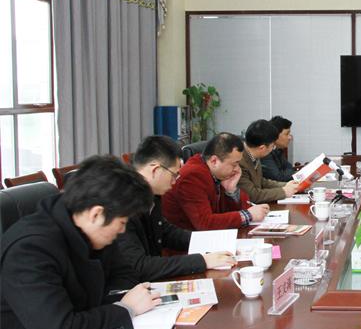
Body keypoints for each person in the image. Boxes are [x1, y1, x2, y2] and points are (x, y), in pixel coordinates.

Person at [0, 156, 161, 329]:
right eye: (122, 222)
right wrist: (126, 308)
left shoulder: (88, 227)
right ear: (96, 214)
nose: (123, 230)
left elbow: (125, 274)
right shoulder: (29, 250)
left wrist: (110, 306)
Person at [118, 136, 237, 282]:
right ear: (155, 170)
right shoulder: (122, 203)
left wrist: (211, 241)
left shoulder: (151, 193)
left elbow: (165, 231)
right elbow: (139, 267)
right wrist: (203, 261)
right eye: (174, 175)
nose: (175, 181)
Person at [162, 133, 270, 230]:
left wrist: (231, 191)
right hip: (187, 243)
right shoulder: (192, 177)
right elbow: (205, 223)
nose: (237, 169)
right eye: (234, 164)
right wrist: (248, 215)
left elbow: (226, 213)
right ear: (214, 161)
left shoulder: (215, 173)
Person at [239, 120, 300, 203]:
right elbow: (253, 195)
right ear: (262, 148)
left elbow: (261, 181)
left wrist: (286, 185)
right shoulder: (239, 162)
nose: (273, 149)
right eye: (272, 146)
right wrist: (283, 192)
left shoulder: (254, 154)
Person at [261, 115, 295, 182]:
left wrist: (284, 172)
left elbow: (289, 167)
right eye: (287, 134)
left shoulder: (278, 149)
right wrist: (284, 172)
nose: (290, 137)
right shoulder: (265, 153)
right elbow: (279, 178)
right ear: (275, 135)